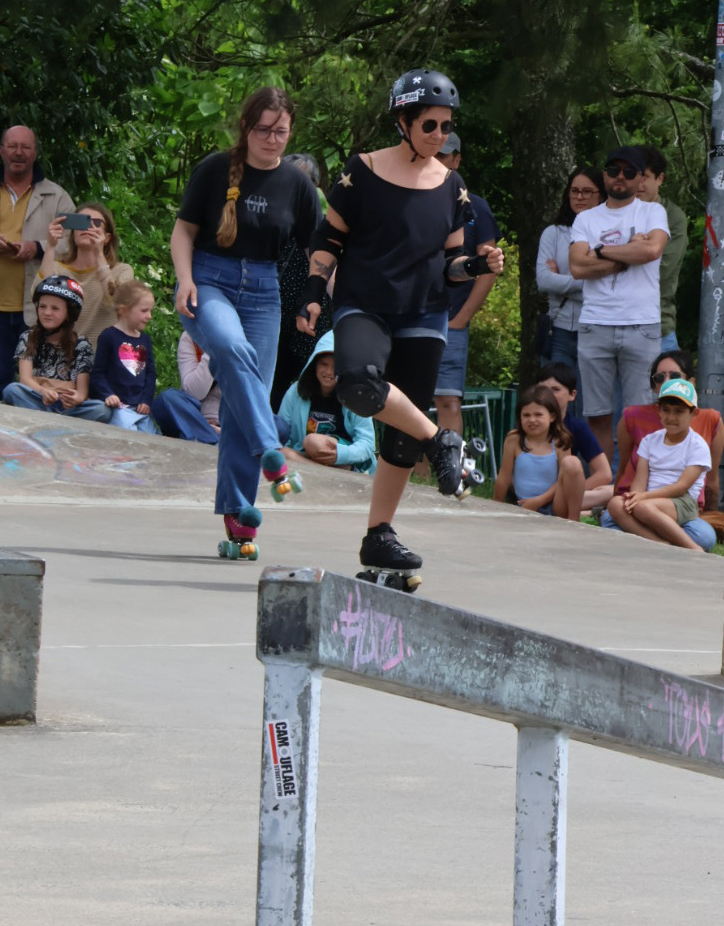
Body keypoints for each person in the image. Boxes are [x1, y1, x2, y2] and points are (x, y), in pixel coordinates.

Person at [296, 67, 504, 579]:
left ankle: (378, 536)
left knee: (400, 437)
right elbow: (329, 242)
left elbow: (452, 266)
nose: (439, 136)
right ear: (403, 121)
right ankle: (443, 440)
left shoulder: (451, 186)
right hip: (365, 303)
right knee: (359, 385)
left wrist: (477, 266)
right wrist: (313, 293)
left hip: (425, 312)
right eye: (429, 125)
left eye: (446, 127)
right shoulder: (360, 172)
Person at [170, 86, 320, 555]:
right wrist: (184, 279)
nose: (272, 140)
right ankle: (270, 450)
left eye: (281, 132)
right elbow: (183, 229)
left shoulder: (298, 185)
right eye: (263, 130)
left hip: (264, 290)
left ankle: (239, 521)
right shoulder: (215, 169)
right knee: (235, 354)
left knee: (239, 397)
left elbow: (322, 248)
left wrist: (319, 298)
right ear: (246, 127)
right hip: (208, 280)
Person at [0, 126, 74, 401]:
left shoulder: (57, 197)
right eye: (12, 146)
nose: (19, 153)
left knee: (37, 387)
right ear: (2, 151)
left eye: (26, 147)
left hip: (39, 310)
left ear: (35, 153)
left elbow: (74, 245)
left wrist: (38, 248)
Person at [568, 145, 669, 461]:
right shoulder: (586, 218)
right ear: (605, 174)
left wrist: (597, 252)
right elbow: (576, 267)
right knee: (597, 413)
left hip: (641, 324)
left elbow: (651, 251)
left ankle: (631, 486)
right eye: (613, 171)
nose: (620, 177)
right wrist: (626, 253)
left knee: (640, 413)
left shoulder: (653, 212)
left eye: (628, 172)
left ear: (641, 179)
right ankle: (601, 491)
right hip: (595, 323)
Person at [430, 132, 499, 438]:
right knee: (411, 399)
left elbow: (488, 268)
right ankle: (415, 473)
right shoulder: (408, 196)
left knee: (447, 399)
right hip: (410, 316)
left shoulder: (477, 206)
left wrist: (462, 319)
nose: (437, 160)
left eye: (444, 155)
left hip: (450, 319)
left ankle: (449, 470)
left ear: (457, 160)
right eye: (432, 153)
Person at [606, 379, 711, 550]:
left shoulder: (698, 446)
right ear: (658, 411)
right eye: (666, 410)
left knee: (642, 508)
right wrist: (635, 496)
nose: (671, 417)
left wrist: (643, 499)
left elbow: (681, 487)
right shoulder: (649, 441)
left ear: (694, 413)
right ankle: (659, 543)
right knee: (615, 504)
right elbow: (640, 480)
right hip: (648, 499)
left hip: (681, 501)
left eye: (679, 411)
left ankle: (693, 548)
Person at [614, 350, 723, 513]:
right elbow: (623, 467)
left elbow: (711, 479)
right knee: (614, 508)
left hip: (680, 505)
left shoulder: (710, 420)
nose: (667, 381)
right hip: (637, 497)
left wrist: (711, 516)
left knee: (702, 534)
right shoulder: (633, 417)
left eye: (675, 376)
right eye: (659, 377)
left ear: (691, 382)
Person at [535, 166, 605, 411]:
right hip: (560, 330)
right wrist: (586, 278)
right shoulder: (553, 233)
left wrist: (562, 281)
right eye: (574, 191)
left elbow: (608, 285)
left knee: (590, 406)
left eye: (587, 191)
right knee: (555, 404)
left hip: (596, 329)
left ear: (601, 195)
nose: (579, 197)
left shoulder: (608, 236)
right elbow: (543, 281)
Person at [1, 275, 112, 422]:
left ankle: (47, 417)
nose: (47, 313)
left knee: (101, 409)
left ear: (69, 314)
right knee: (11, 390)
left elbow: (82, 391)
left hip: (67, 406)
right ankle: (54, 418)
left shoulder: (81, 344)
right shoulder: (28, 337)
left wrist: (77, 399)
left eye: (55, 308)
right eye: (42, 306)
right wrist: (43, 392)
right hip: (38, 397)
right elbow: (25, 378)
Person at [270, 152, 331, 410]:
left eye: (302, 181)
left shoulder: (323, 218)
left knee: (309, 373)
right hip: (272, 307)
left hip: (312, 308)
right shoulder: (271, 213)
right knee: (273, 373)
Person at [275, 330, 377, 474]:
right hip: (306, 455)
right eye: (324, 364)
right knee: (278, 451)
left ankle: (344, 469)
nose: (329, 372)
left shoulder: (356, 395)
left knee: (313, 442)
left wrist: (341, 455)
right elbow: (282, 434)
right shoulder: (296, 391)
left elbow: (367, 444)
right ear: (314, 364)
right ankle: (327, 472)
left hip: (343, 457)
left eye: (336, 367)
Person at [40, 201, 135, 351]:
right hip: (63, 357)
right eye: (82, 221)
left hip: (103, 360)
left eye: (96, 223)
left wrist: (98, 254)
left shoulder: (122, 271)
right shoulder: (58, 268)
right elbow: (41, 295)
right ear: (73, 233)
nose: (89, 226)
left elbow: (115, 301)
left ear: (107, 237)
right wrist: (51, 246)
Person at [491, 385, 585, 521]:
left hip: (554, 504)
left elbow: (561, 481)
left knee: (573, 463)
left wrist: (539, 501)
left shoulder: (560, 441)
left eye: (538, 415)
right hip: (524, 504)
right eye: (526, 415)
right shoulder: (514, 440)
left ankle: (574, 520)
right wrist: (495, 507)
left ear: (552, 416)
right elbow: (504, 476)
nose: (532, 420)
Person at [534, 362, 613, 513]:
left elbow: (604, 474)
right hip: (531, 492)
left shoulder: (577, 427)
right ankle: (589, 513)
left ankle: (585, 512)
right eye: (542, 389)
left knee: (615, 491)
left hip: (561, 495)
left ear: (572, 395)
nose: (548, 395)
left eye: (556, 389)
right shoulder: (529, 423)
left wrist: (573, 489)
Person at [638, 145, 689, 351]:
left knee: (666, 383)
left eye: (645, 177)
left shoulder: (673, 217)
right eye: (634, 175)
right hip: (614, 324)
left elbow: (662, 269)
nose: (638, 184)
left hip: (658, 325)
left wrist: (609, 260)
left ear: (660, 179)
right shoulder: (615, 211)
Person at [90, 280, 159, 433]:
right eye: (144, 311)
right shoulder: (108, 336)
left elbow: (150, 373)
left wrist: (146, 400)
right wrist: (108, 394)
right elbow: (97, 373)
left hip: (139, 408)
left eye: (150, 311)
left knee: (152, 438)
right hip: (118, 406)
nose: (149, 316)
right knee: (128, 434)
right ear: (124, 310)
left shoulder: (145, 340)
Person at [150, 330, 221, 445]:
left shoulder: (251, 334)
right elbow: (193, 392)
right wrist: (211, 352)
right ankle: (211, 440)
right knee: (166, 399)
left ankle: (208, 438)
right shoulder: (190, 336)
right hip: (192, 416)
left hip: (229, 423)